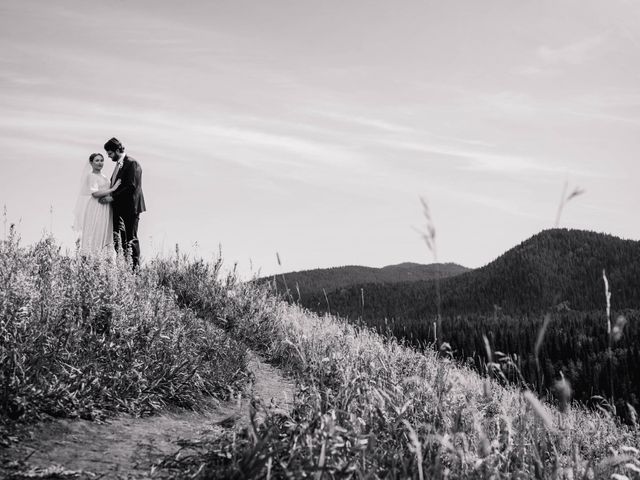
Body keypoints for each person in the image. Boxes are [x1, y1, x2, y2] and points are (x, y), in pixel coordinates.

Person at [99, 137, 146, 269]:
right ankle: (125, 267)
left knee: (131, 238)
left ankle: (135, 271)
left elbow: (131, 186)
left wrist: (112, 197)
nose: (109, 156)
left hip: (130, 208)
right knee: (118, 240)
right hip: (119, 209)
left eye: (110, 153)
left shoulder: (132, 163)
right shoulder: (118, 165)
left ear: (117, 150)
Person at [73, 153, 121, 253]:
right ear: (91, 162)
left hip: (106, 207)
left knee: (104, 232)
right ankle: (92, 257)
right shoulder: (91, 176)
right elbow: (95, 193)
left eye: (101, 160)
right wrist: (113, 189)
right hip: (96, 206)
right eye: (97, 160)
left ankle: (102, 258)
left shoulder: (103, 176)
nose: (100, 163)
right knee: (95, 232)